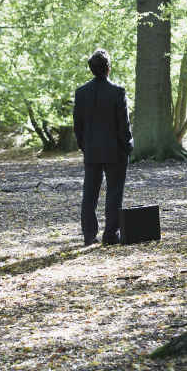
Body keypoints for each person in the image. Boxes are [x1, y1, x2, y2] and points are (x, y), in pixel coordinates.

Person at [73, 49, 134, 246]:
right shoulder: (118, 92)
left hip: (91, 151)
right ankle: (110, 235)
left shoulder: (81, 93)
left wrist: (84, 146)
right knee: (114, 193)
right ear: (108, 68)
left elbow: (78, 125)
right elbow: (123, 125)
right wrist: (128, 146)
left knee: (89, 193)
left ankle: (89, 235)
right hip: (115, 151)